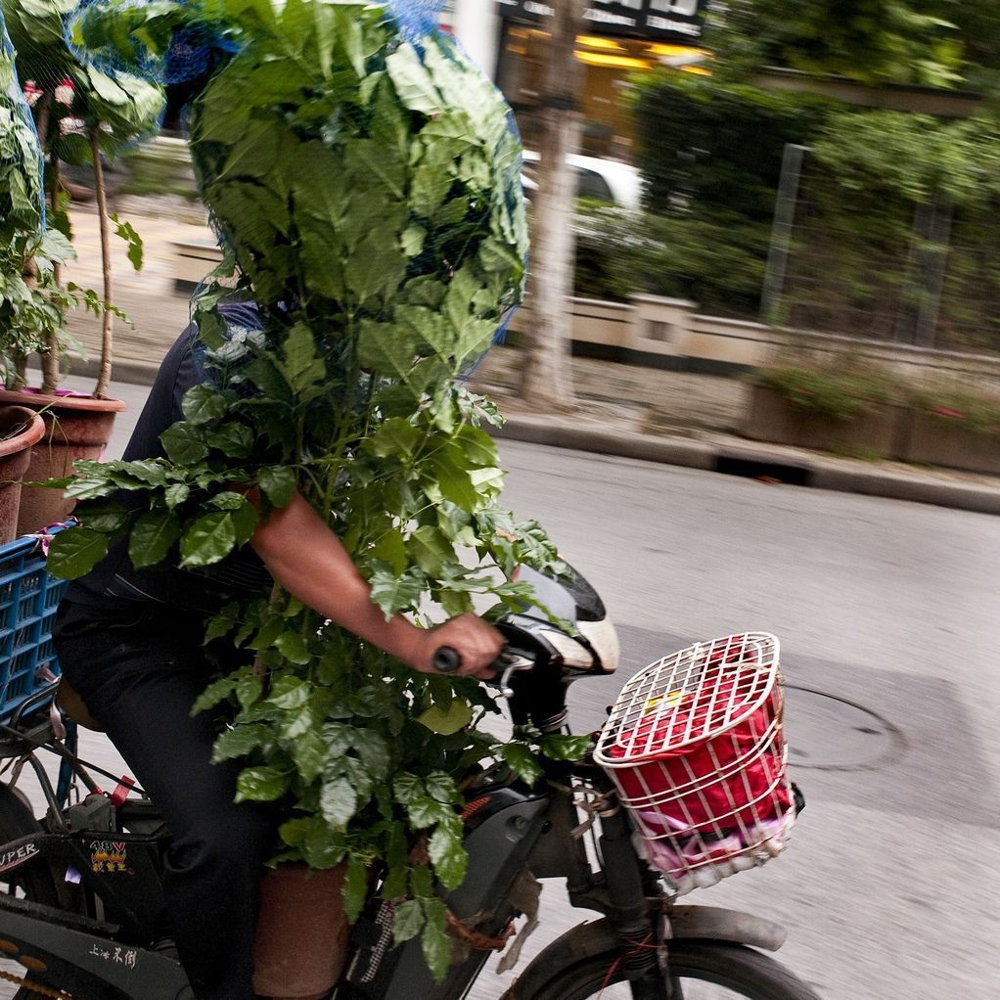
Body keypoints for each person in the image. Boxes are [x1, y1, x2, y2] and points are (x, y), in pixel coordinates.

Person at [52, 304, 505, 1000]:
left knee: (359, 810)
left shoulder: (372, 371)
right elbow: (273, 517)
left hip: (250, 636)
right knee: (224, 834)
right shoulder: (235, 340)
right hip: (134, 631)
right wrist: (413, 642)